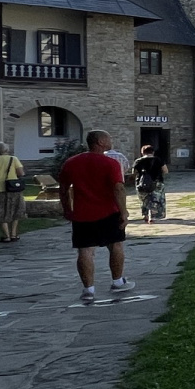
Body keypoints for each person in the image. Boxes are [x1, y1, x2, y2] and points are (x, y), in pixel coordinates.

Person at [59, 130, 133, 304]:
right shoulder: (110, 163)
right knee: (115, 245)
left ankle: (88, 289)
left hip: (82, 213)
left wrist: (67, 209)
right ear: (100, 141)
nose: (111, 140)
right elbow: (118, 189)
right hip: (108, 211)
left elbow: (63, 189)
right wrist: (124, 211)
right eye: (109, 138)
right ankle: (117, 281)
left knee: (85, 250)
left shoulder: (71, 162)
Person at [131, 143, 169, 224]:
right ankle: (153, 217)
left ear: (142, 152)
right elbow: (166, 171)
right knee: (155, 199)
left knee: (144, 200)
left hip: (142, 183)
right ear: (153, 152)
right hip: (157, 182)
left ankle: (145, 216)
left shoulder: (138, 161)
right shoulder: (158, 160)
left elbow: (134, 172)